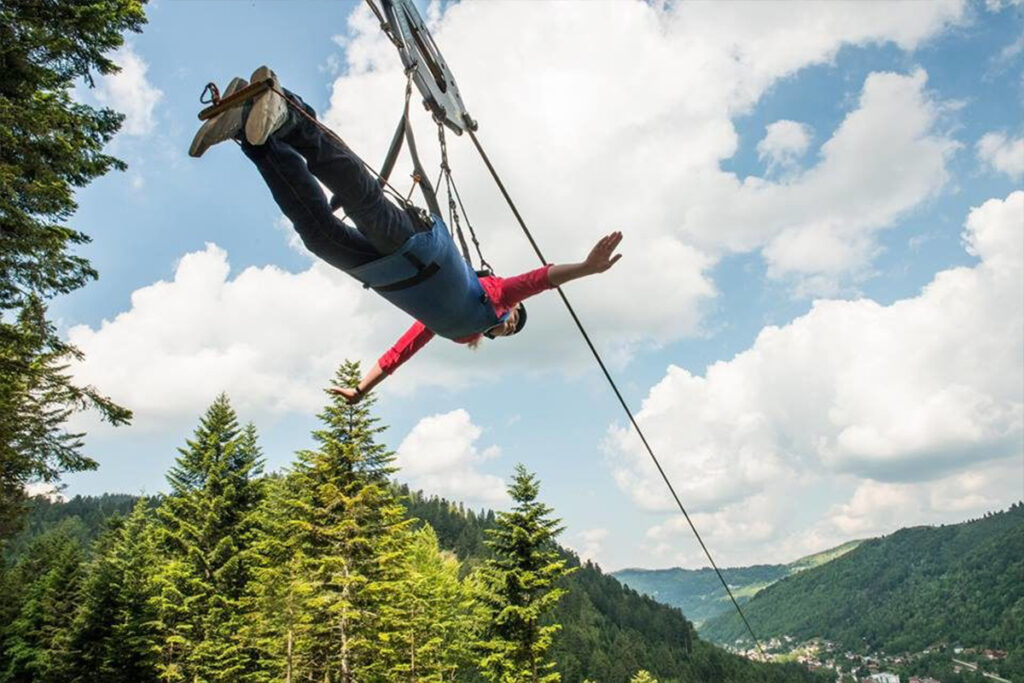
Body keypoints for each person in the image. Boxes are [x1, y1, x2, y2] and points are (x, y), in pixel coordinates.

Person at [191, 67, 623, 403]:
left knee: (318, 235)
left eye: (508, 332)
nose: (507, 326)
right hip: (419, 250)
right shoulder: (493, 298)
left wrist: (362, 388)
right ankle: (287, 114)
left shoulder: (454, 328)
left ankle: (254, 136)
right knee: (361, 199)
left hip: (383, 273)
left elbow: (403, 350)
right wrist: (587, 268)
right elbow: (538, 280)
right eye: (513, 322)